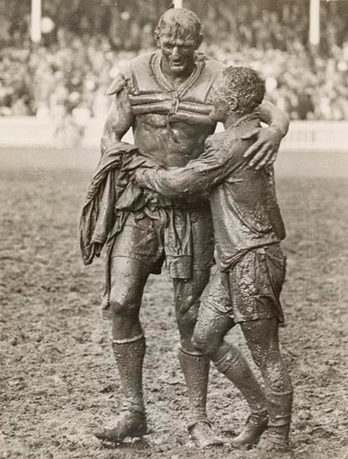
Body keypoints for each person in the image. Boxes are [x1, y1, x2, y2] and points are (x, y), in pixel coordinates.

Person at [87, 8, 290, 447]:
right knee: (120, 302)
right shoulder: (135, 74)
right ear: (157, 37)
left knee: (190, 316)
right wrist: (129, 163)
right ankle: (132, 410)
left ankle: (198, 419)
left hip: (194, 207)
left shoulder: (219, 77)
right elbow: (110, 134)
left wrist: (279, 131)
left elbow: (269, 111)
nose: (177, 51)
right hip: (140, 205)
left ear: (199, 43)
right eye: (169, 42)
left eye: (187, 43)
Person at [132, 66, 293, 457]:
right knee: (204, 337)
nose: (209, 98)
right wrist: (279, 125)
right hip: (238, 258)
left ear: (234, 103)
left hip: (252, 259)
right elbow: (263, 110)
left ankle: (279, 436)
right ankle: (260, 411)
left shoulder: (226, 146)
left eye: (217, 94)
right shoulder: (253, 131)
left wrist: (139, 169)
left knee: (265, 351)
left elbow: (178, 184)